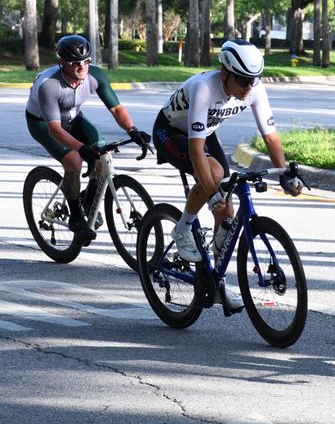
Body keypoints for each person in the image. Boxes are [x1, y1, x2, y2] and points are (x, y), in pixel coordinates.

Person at [152, 38, 303, 313]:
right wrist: (212, 193)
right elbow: (195, 150)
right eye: (243, 80)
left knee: (227, 215)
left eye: (253, 80)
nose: (248, 87)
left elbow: (270, 137)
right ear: (225, 73)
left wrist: (284, 173)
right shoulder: (204, 88)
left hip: (205, 133)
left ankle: (216, 282)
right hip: (171, 132)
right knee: (215, 176)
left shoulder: (254, 89)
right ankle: (183, 228)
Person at [25, 35, 151, 246]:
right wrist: (81, 149)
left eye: (86, 61)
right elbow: (55, 129)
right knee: (74, 160)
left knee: (104, 154)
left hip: (74, 119)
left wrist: (132, 130)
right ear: (62, 63)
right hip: (43, 124)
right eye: (75, 63)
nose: (82, 66)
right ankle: (76, 217)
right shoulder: (49, 85)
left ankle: (89, 199)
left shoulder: (95, 76)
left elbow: (117, 109)